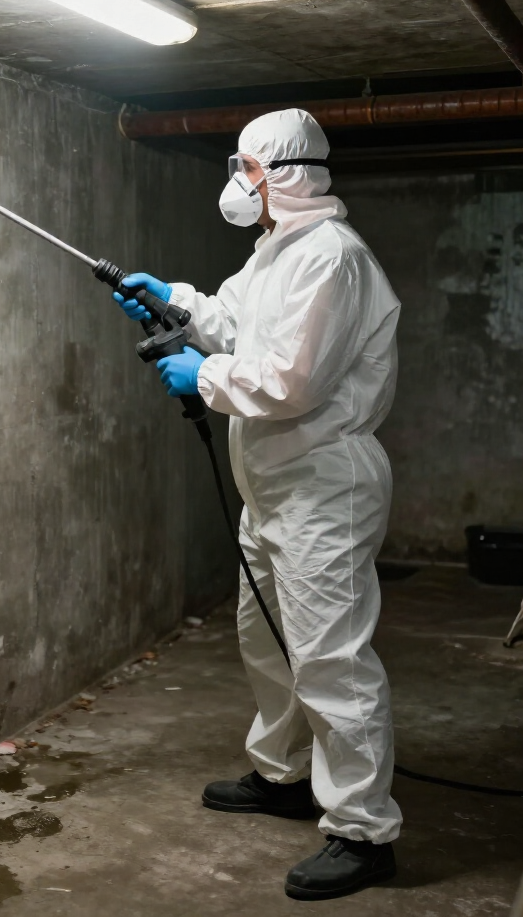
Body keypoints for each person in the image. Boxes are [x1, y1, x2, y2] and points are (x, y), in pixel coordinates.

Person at [113, 108, 402, 901]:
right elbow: (232, 318)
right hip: (272, 484)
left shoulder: (334, 261)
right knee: (267, 640)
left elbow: (291, 380)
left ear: (284, 175)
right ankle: (282, 776)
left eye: (247, 168)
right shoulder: (277, 251)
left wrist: (204, 379)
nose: (236, 183)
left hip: (322, 486)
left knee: (331, 660)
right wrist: (171, 298)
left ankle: (361, 828)